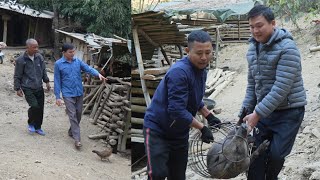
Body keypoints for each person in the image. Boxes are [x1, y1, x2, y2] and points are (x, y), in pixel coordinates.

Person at [143, 30, 221, 180]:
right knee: (157, 174)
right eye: (199, 53)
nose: (204, 57)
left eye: (208, 52)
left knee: (178, 176)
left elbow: (194, 98)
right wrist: (202, 127)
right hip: (157, 130)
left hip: (179, 133)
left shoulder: (202, 70)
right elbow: (177, 110)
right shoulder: (179, 72)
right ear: (187, 51)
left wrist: (208, 115)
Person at [240, 5, 307, 180]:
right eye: (252, 26)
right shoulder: (252, 49)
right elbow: (252, 84)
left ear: (273, 23)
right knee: (255, 158)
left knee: (276, 155)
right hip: (264, 112)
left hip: (289, 111)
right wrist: (246, 110)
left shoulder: (288, 48)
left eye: (259, 25)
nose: (255, 30)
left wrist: (257, 114)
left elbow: (281, 88)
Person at [54, 43, 106, 148]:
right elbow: (57, 81)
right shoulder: (58, 64)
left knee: (78, 114)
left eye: (73, 51)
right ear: (64, 52)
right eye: (70, 52)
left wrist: (98, 74)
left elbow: (88, 68)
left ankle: (71, 131)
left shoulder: (77, 61)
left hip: (79, 92)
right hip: (67, 93)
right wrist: (58, 97)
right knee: (72, 115)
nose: (73, 54)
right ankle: (77, 139)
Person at [14, 38, 51, 136]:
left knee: (40, 108)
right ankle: (31, 123)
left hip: (39, 86)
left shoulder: (39, 57)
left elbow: (43, 70)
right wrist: (17, 88)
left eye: (37, 46)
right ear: (28, 47)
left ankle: (38, 127)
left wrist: (46, 81)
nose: (36, 49)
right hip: (27, 87)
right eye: (34, 47)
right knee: (34, 106)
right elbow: (17, 75)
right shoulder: (21, 60)